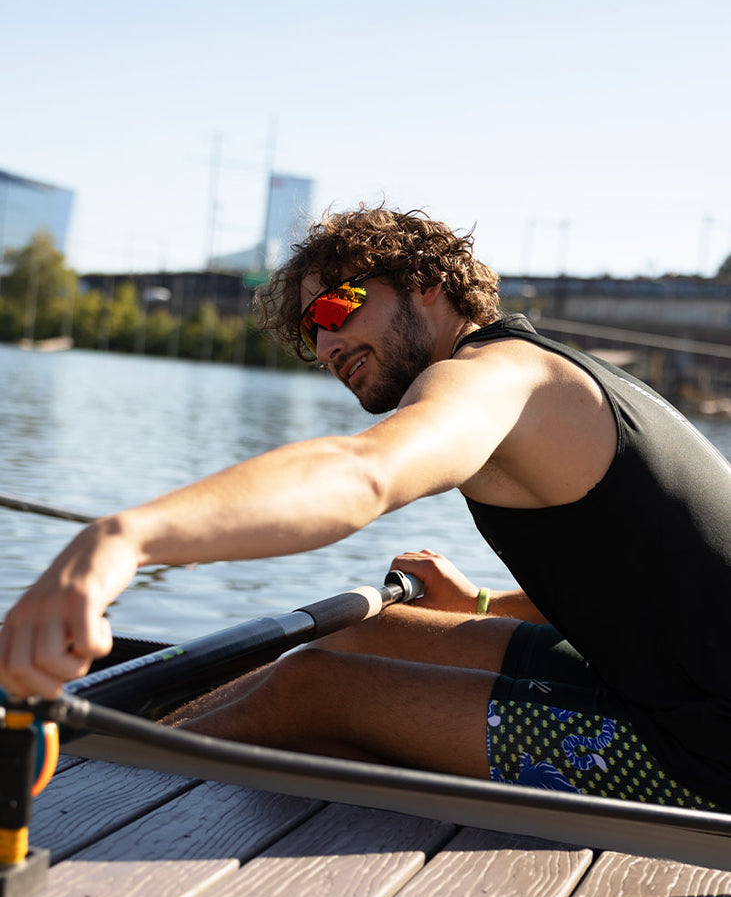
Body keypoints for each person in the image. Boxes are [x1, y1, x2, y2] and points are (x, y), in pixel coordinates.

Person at [1, 203, 729, 811]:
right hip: (668, 690)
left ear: (423, 283)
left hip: (705, 760)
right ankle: (90, 755)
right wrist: (479, 602)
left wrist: (123, 538)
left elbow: (361, 471)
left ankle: (64, 801)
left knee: (312, 687)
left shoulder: (494, 380)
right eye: (309, 334)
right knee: (369, 635)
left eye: (334, 307)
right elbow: (659, 586)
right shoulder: (548, 375)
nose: (324, 345)